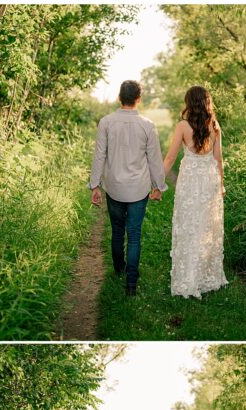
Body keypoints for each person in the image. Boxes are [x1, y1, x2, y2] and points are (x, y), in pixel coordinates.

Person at [89, 80, 167, 296]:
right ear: (139, 99)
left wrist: (94, 185)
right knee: (133, 234)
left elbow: (99, 156)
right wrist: (158, 186)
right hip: (138, 189)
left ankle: (119, 270)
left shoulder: (106, 122)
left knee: (117, 231)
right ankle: (131, 283)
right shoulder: (148, 125)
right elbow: (154, 159)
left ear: (119, 97)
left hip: (114, 186)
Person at [163, 86, 228, 299]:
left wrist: (157, 182)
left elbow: (171, 158)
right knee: (207, 226)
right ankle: (205, 277)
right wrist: (221, 185)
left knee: (189, 225)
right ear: (207, 103)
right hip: (209, 179)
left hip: (190, 180)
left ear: (189, 103)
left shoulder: (182, 126)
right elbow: (218, 159)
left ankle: (189, 277)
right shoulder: (215, 126)